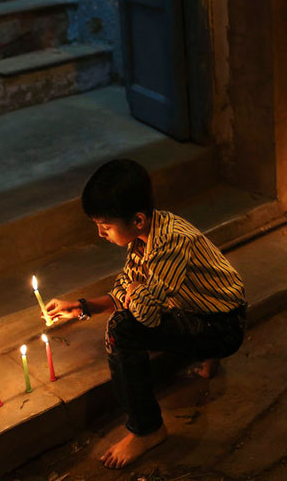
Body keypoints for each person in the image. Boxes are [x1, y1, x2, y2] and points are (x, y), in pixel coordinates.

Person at [46, 159, 247, 469]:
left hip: (224, 327)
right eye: (98, 225)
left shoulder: (169, 243)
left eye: (106, 226)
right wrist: (82, 307)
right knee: (135, 305)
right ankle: (206, 357)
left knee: (122, 329)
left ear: (137, 220)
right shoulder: (146, 236)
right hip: (210, 310)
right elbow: (125, 290)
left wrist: (133, 294)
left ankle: (147, 429)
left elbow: (146, 315)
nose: (100, 233)